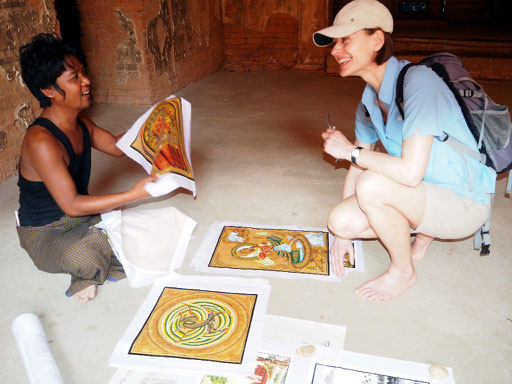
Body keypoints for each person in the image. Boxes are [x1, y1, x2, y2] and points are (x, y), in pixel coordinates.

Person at [313, 0, 496, 301]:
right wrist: (341, 237)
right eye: (334, 43)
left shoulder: (419, 84)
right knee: (340, 222)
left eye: (346, 40)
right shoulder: (370, 97)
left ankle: (403, 271)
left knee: (373, 184)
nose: (335, 50)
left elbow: (409, 173)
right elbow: (357, 162)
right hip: (428, 188)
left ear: (376, 40)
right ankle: (422, 233)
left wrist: (348, 151)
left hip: (464, 201)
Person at [16, 34, 156, 303]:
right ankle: (88, 267)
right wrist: (134, 194)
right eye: (74, 77)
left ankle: (100, 239)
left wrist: (156, 123)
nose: (87, 81)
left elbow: (117, 146)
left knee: (144, 231)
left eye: (83, 73)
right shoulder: (41, 141)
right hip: (46, 232)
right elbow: (71, 205)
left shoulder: (81, 123)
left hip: (83, 219)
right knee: (85, 256)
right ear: (48, 90)